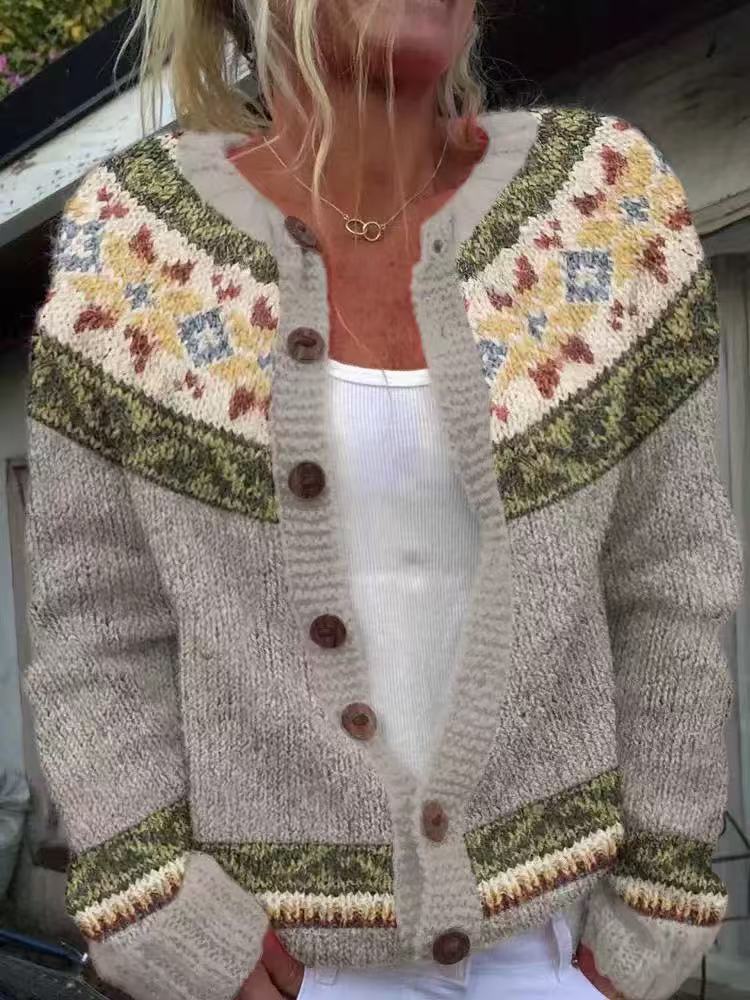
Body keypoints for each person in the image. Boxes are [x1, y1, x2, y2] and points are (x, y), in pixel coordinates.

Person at [24, 0, 742, 998]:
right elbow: (97, 627)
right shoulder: (136, 247)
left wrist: (651, 912)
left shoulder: (601, 202)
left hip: (558, 953)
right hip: (269, 960)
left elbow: (670, 577)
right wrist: (161, 913)